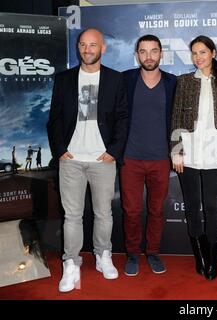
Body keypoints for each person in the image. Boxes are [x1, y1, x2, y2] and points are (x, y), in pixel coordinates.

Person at [47, 28, 128, 292]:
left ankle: (104, 256)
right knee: (72, 216)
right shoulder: (64, 79)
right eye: (83, 45)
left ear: (103, 48)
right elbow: (55, 119)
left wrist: (114, 151)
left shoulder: (116, 80)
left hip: (102, 159)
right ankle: (71, 263)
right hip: (70, 159)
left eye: (93, 45)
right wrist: (60, 148)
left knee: (104, 213)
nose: (87, 50)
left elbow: (123, 119)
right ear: (78, 47)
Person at [171, 35, 217, 280]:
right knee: (192, 207)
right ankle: (199, 256)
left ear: (213, 53)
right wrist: (176, 150)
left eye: (202, 52)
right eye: (194, 53)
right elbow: (176, 118)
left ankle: (213, 260)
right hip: (188, 150)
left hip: (214, 150)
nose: (198, 57)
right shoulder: (184, 81)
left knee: (211, 207)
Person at [120, 35, 176, 276]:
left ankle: (152, 251)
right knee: (131, 210)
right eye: (143, 51)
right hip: (130, 158)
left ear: (161, 54)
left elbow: (181, 121)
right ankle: (132, 253)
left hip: (161, 159)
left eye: (154, 51)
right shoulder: (126, 80)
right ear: (137, 55)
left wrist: (177, 151)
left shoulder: (173, 83)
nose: (149, 56)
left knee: (156, 210)